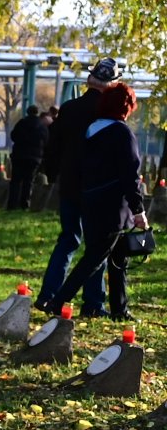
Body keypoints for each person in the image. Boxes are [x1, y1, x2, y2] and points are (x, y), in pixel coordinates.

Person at [43, 81, 149, 320]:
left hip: (90, 200)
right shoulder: (122, 133)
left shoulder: (91, 130)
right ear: (126, 107)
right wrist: (139, 210)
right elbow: (130, 175)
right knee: (94, 258)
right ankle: (58, 301)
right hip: (113, 206)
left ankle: (119, 309)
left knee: (117, 256)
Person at [36, 58, 119, 315]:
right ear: (112, 84)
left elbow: (54, 145)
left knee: (68, 239)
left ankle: (48, 295)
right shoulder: (109, 112)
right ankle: (93, 303)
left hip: (70, 183)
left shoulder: (69, 108)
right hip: (98, 188)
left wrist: (52, 173)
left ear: (89, 79)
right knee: (96, 247)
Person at [8, 105, 48, 210]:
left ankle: (12, 204)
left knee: (15, 180)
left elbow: (13, 136)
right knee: (29, 181)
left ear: (27, 112)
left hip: (19, 155)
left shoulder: (21, 123)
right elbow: (46, 140)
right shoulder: (42, 126)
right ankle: (25, 204)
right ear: (37, 113)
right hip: (34, 157)